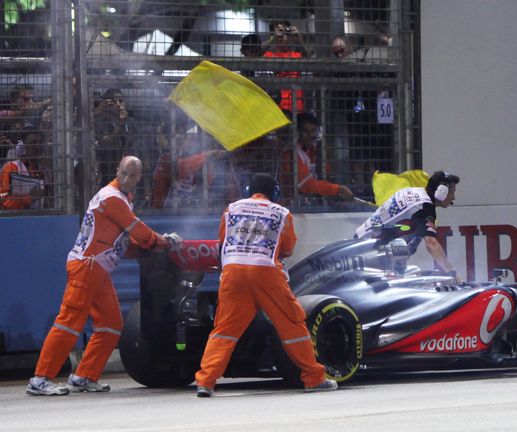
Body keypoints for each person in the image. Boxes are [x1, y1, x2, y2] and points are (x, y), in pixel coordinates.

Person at [26, 156, 177, 396]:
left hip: (96, 269)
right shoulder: (112, 198)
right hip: (88, 267)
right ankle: (41, 378)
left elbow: (121, 241)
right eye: (123, 173)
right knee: (69, 323)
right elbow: (139, 231)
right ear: (117, 170)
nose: (126, 178)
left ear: (138, 177)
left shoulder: (118, 199)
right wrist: (163, 241)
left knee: (110, 324)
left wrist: (145, 247)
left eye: (131, 175)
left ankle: (84, 376)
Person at [194, 173, 337, 396]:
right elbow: (287, 249)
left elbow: (222, 241)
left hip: (233, 272)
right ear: (275, 194)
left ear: (249, 190)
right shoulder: (282, 213)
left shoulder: (232, 208)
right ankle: (313, 378)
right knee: (292, 322)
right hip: (266, 273)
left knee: (225, 329)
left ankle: (206, 381)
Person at [354, 170, 462, 280]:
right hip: (370, 252)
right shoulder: (424, 207)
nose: (453, 198)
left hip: (362, 245)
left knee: (413, 271)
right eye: (452, 192)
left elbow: (401, 236)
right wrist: (452, 274)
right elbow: (432, 244)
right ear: (441, 192)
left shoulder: (414, 192)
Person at [279, 112, 353, 202]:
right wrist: (338, 189)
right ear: (297, 133)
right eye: (305, 131)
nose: (310, 135)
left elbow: (327, 174)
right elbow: (306, 185)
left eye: (313, 131)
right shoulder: (290, 154)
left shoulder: (315, 151)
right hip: (291, 204)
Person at [262, 20, 313, 111]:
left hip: (295, 106)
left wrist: (299, 39)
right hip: (274, 107)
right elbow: (257, 52)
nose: (281, 36)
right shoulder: (268, 55)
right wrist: (273, 39)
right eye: (278, 32)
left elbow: (308, 57)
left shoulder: (296, 55)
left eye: (284, 33)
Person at [0, 133, 46, 210]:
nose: (37, 146)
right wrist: (30, 198)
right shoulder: (12, 168)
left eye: (40, 142)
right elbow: (3, 200)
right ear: (25, 146)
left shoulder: (45, 169)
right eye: (33, 142)